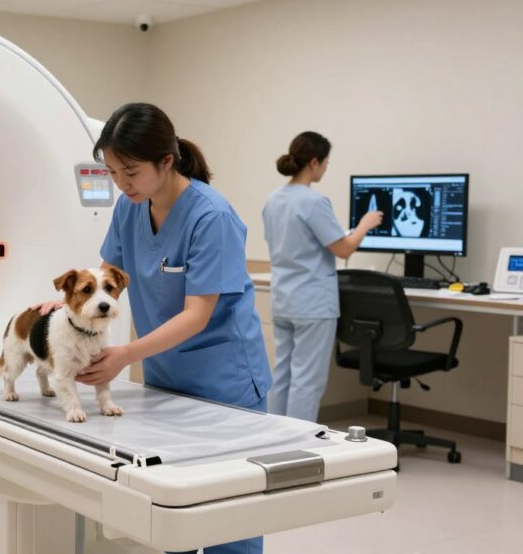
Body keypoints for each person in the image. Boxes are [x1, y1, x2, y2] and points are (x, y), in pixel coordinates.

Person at [43, 102, 272, 554]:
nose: (121, 184)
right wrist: (70, 307)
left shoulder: (211, 216)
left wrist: (124, 356)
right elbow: (108, 272)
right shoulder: (131, 208)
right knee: (174, 509)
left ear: (166, 161)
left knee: (229, 515)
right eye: (111, 172)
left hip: (224, 381)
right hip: (166, 377)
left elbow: (197, 314)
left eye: (130, 172)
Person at [262, 131, 383, 422]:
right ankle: (299, 444)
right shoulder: (314, 202)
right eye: (326, 162)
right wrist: (364, 225)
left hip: (283, 299)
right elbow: (343, 249)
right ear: (314, 162)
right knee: (307, 379)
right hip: (312, 304)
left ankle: (273, 437)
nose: (327, 168)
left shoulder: (274, 199)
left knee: (283, 373)